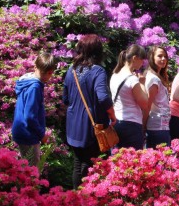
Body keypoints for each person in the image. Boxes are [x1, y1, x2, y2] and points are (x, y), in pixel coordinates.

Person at [63, 34, 117, 189]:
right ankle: (90, 200)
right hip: (92, 126)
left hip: (73, 126)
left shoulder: (71, 70)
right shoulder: (97, 71)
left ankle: (76, 199)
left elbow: (65, 99)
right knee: (93, 164)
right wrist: (112, 114)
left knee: (78, 162)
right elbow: (103, 97)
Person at [12, 52, 58, 168]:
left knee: (25, 168)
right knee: (32, 171)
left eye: (48, 73)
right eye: (46, 72)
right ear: (35, 67)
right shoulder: (35, 87)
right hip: (28, 133)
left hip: (21, 130)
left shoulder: (27, 81)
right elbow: (30, 116)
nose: (46, 76)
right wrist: (41, 134)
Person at [110, 44, 148, 150]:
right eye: (142, 60)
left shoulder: (114, 75)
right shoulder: (132, 79)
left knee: (118, 160)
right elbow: (144, 103)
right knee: (133, 162)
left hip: (117, 122)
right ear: (135, 58)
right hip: (131, 124)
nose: (142, 63)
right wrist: (142, 83)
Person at [144, 46, 171, 149]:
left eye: (165, 56)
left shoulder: (159, 77)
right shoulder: (153, 79)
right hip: (156, 127)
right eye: (160, 56)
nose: (163, 59)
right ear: (152, 58)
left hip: (163, 126)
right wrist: (143, 126)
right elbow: (147, 105)